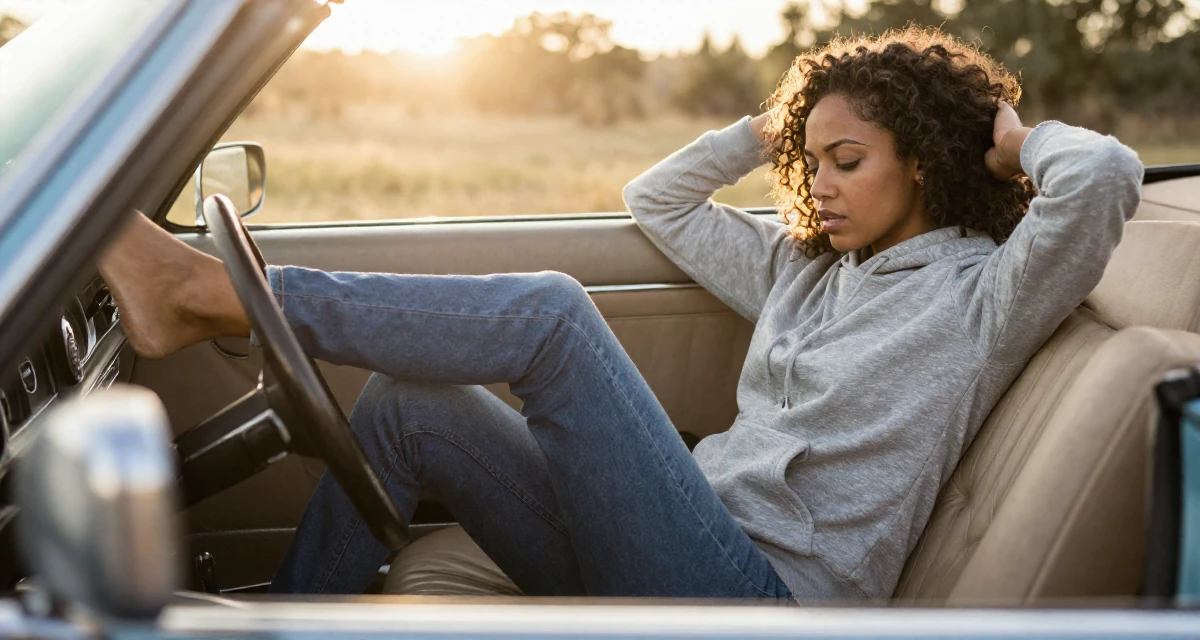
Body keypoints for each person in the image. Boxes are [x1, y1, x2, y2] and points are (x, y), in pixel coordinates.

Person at [98, 26, 1143, 602]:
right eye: (808, 162)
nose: (817, 185)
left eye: (848, 162)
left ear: (925, 161)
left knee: (554, 317)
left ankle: (201, 290)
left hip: (762, 604)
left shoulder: (983, 296)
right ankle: (289, 622)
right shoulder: (807, 270)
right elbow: (659, 199)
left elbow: (1101, 178)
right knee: (413, 407)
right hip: (675, 543)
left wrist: (1004, 137)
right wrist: (766, 123)